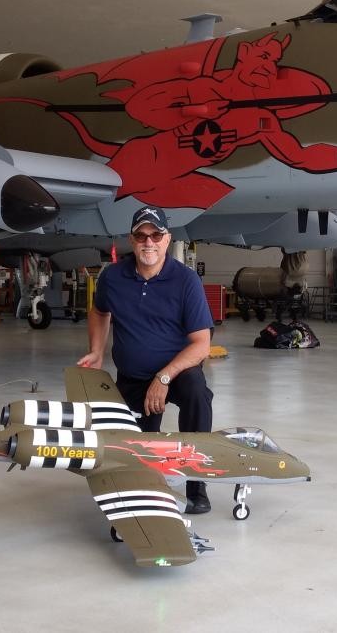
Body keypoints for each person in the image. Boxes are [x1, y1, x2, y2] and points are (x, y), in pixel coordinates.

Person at [76, 206, 216, 512]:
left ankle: (196, 486)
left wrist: (163, 378)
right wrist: (97, 350)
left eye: (155, 235)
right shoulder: (113, 277)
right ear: (131, 240)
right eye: (141, 236)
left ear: (167, 239)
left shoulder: (186, 281)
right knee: (131, 446)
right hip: (133, 377)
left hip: (177, 374)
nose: (148, 242)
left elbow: (202, 345)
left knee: (197, 395)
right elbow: (99, 312)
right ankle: (138, 488)